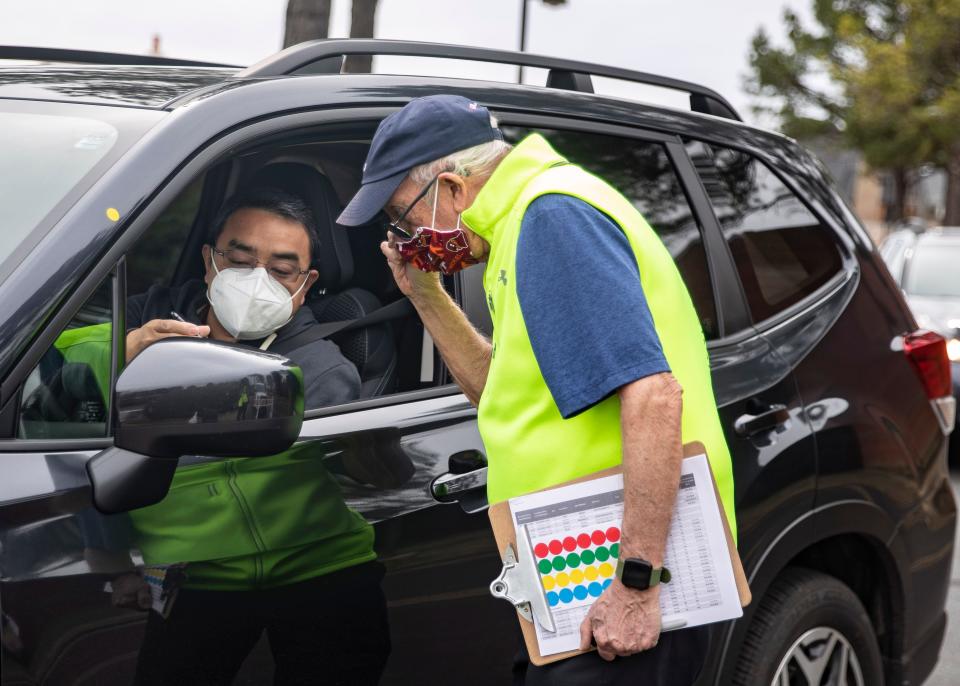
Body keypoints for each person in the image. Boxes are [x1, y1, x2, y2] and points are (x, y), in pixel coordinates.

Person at [337, 95, 736, 685]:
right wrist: (425, 294)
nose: (403, 232)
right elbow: (501, 393)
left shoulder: (551, 216)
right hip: (573, 577)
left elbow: (654, 395)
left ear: (449, 187)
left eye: (404, 214)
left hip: (618, 586)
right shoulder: (522, 224)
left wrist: (634, 584)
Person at [115, 186, 388, 685]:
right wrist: (123, 355)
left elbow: (362, 477)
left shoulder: (323, 369)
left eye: (282, 270)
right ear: (209, 261)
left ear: (304, 286)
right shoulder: (140, 318)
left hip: (317, 573)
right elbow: (51, 373)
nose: (257, 280)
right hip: (190, 577)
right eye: (240, 260)